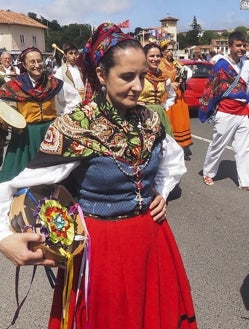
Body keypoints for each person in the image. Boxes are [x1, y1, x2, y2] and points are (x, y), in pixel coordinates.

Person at [0, 23, 198, 329]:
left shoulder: (150, 120)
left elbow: (171, 162)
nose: (137, 86)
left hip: (152, 240)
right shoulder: (77, 127)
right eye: (127, 76)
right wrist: (4, 238)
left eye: (142, 76)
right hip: (100, 250)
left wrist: (159, 192)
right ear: (103, 76)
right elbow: (14, 186)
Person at [0, 47, 81, 182]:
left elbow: (73, 100)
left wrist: (64, 120)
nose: (37, 65)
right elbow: (3, 107)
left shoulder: (54, 83)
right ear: (24, 65)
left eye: (39, 61)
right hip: (25, 134)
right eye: (32, 62)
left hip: (50, 133)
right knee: (18, 174)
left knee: (52, 173)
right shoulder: (14, 86)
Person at [199, 31, 249, 193]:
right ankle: (208, 172)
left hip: (242, 110)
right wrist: (206, 108)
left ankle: (246, 181)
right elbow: (211, 88)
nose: (241, 48)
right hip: (226, 111)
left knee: (243, 147)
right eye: (238, 45)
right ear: (230, 46)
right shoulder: (221, 65)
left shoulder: (245, 64)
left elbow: (247, 87)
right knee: (218, 144)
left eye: (243, 45)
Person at [159, 40, 193, 160]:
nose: (171, 52)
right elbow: (156, 78)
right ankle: (167, 149)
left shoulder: (176, 63)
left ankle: (180, 148)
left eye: (172, 49)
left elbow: (185, 73)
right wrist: (168, 84)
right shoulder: (159, 64)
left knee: (180, 123)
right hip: (166, 95)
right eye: (168, 49)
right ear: (162, 51)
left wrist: (181, 80)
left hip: (178, 95)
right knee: (168, 122)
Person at [138, 42, 175, 136]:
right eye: (152, 56)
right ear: (144, 57)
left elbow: (171, 96)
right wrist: (135, 104)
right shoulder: (138, 75)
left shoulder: (164, 77)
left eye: (158, 56)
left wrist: (164, 106)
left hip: (159, 115)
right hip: (140, 115)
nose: (155, 59)